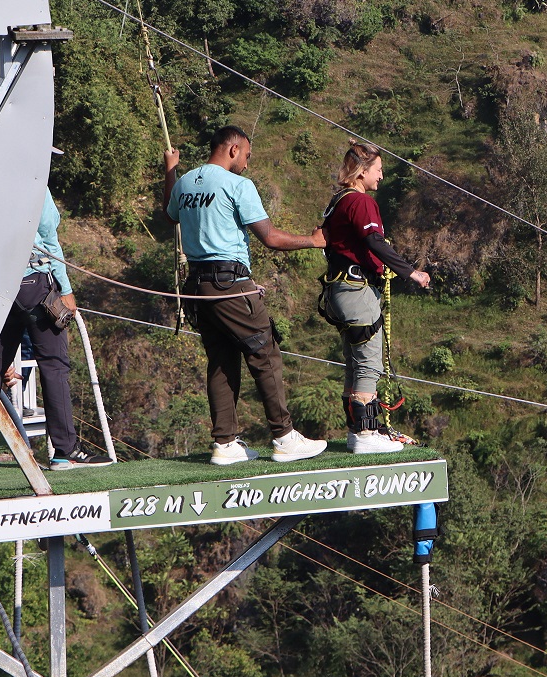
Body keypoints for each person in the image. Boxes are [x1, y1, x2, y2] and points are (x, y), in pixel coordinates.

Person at [163, 126, 329, 466]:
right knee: (264, 353)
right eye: (248, 157)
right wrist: (313, 241)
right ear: (234, 150)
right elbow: (270, 237)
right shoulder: (238, 185)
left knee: (222, 361)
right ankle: (283, 436)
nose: (248, 166)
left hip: (197, 288)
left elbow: (170, 212)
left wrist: (170, 170)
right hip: (230, 285)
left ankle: (225, 443)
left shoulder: (185, 183)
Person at [0, 186, 111, 470]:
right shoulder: (33, 183)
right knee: (54, 365)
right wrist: (65, 289)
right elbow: (48, 240)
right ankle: (65, 450)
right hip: (34, 284)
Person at [319, 142, 430, 453]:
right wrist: (411, 272)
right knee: (368, 362)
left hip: (339, 290)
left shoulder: (337, 200)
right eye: (379, 170)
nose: (381, 177)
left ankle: (359, 431)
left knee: (356, 363)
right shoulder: (360, 202)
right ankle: (365, 435)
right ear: (363, 171)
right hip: (355, 290)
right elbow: (374, 240)